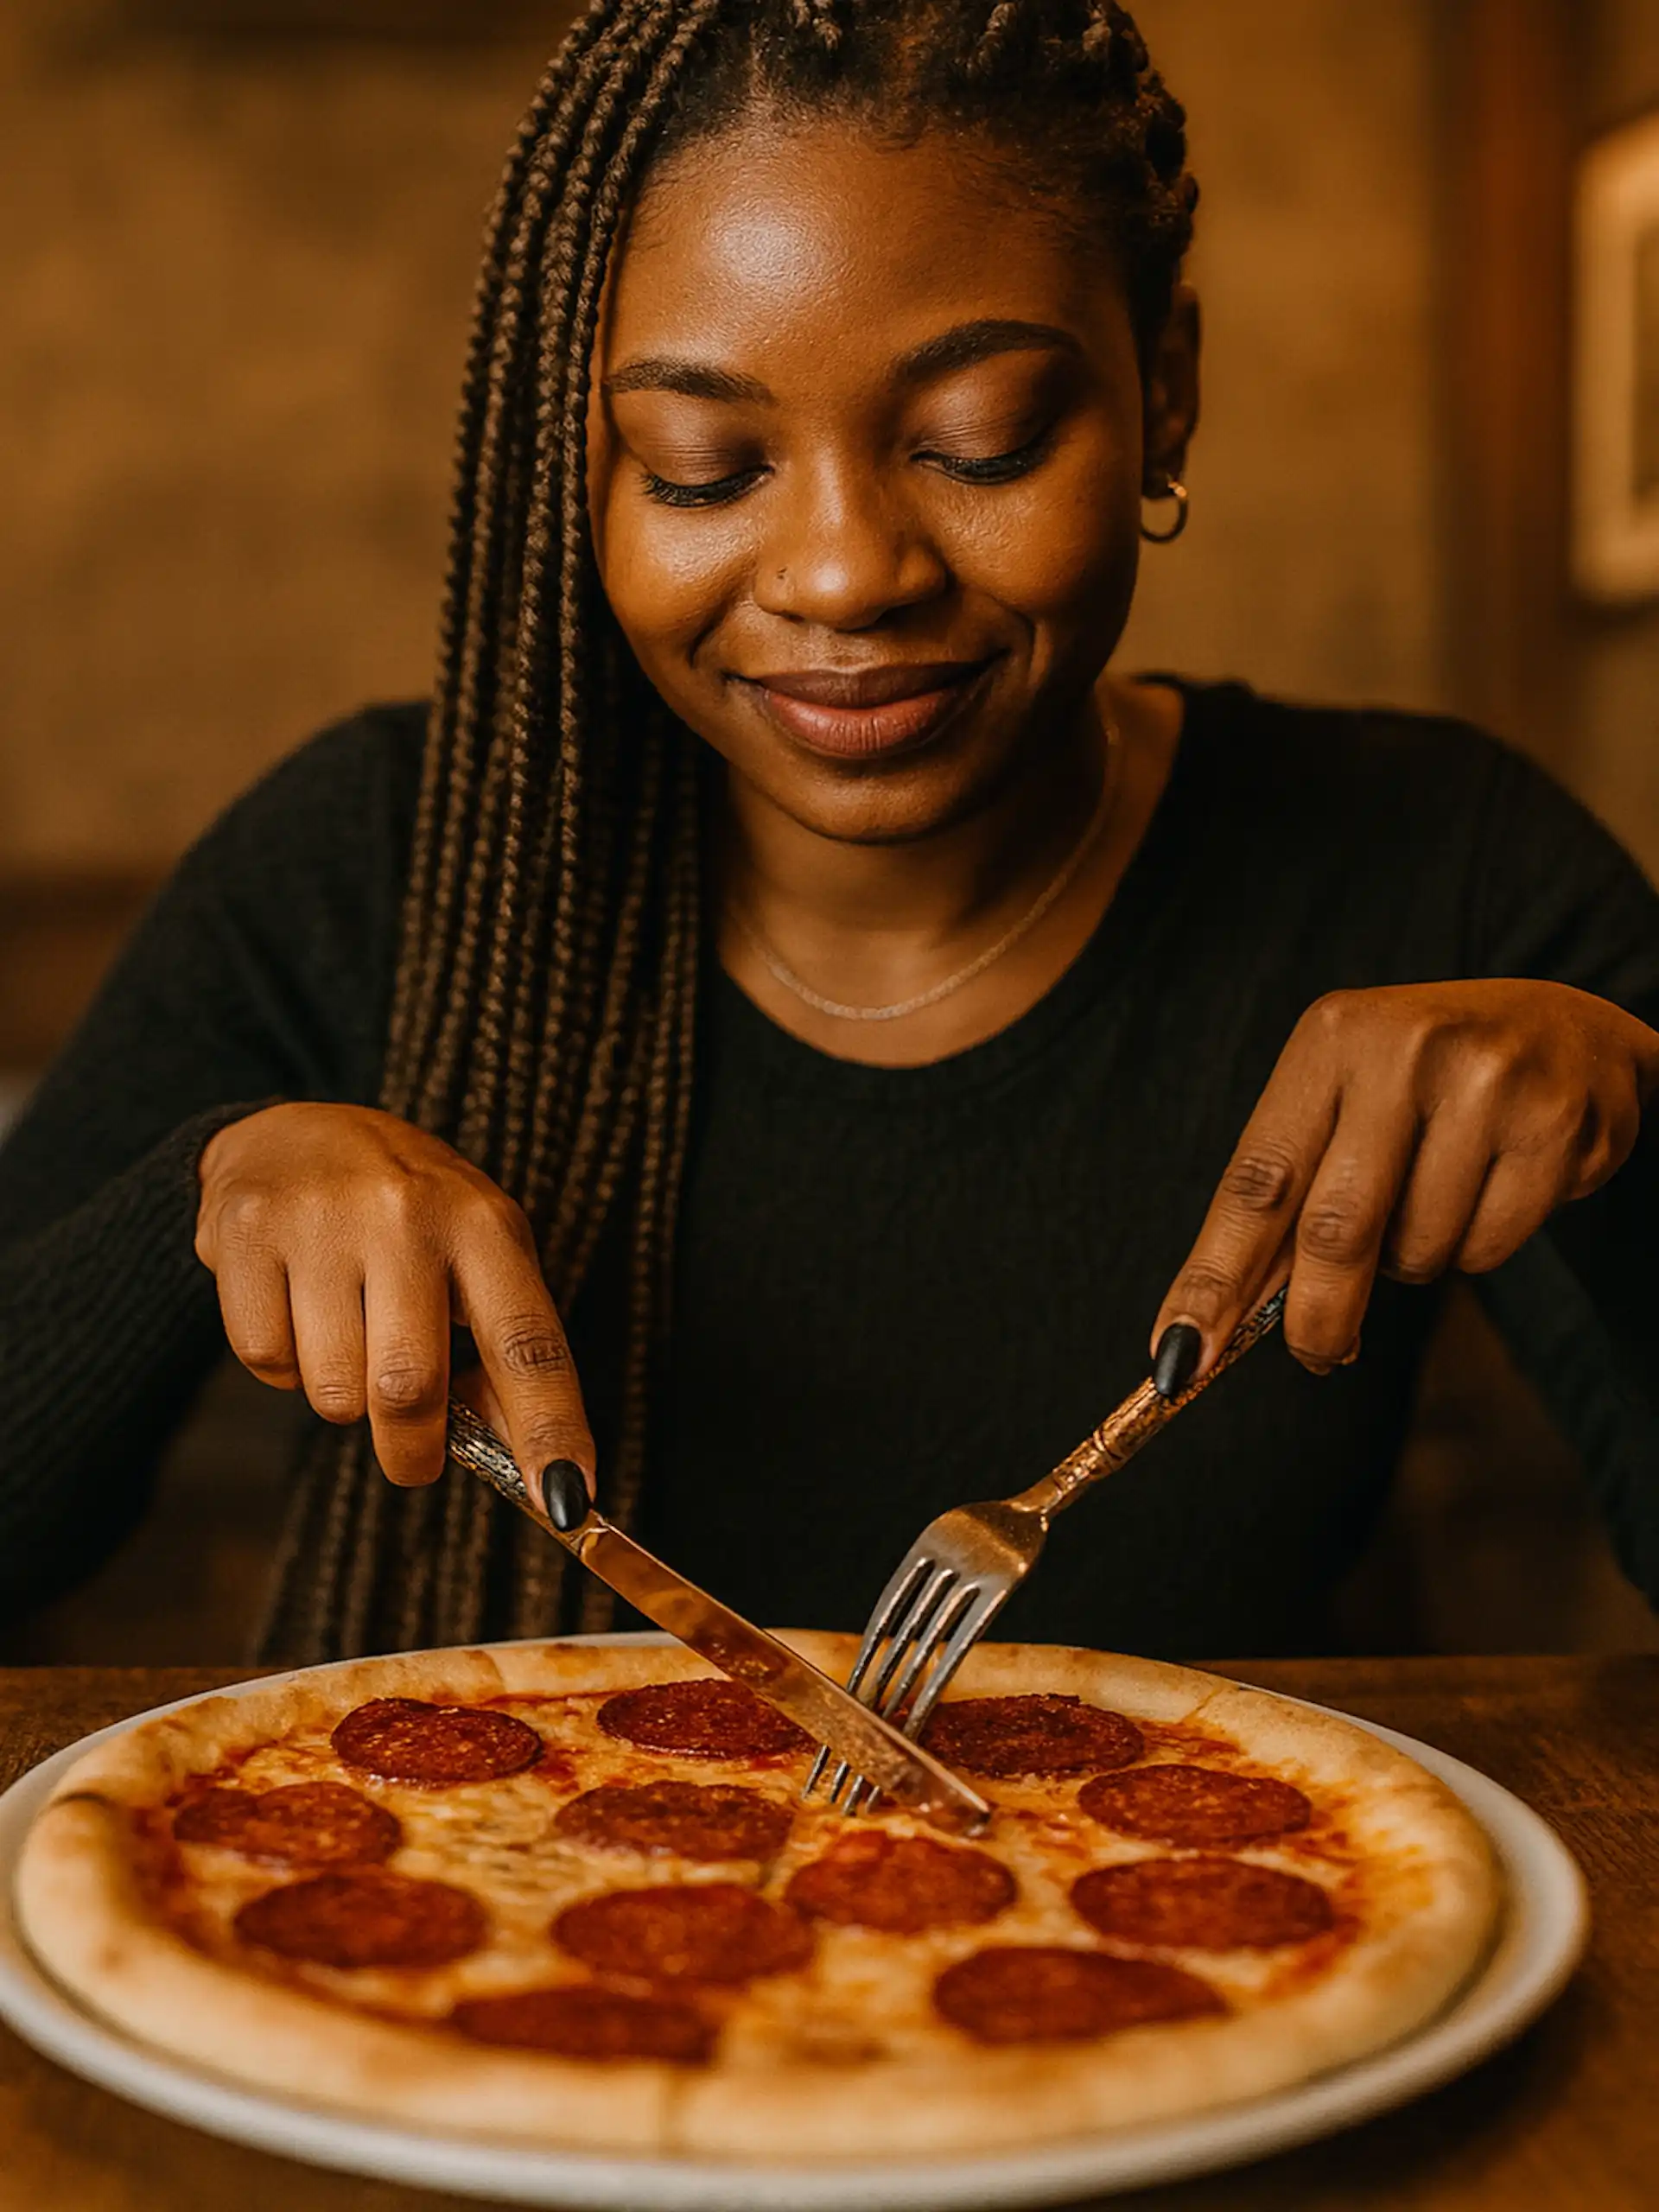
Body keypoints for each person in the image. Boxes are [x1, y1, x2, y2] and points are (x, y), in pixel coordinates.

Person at [3, 0, 1656, 1667]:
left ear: (1166, 387)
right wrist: (194, 1200)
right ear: (581, 474)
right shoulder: (368, 861)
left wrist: (1640, 1136)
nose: (848, 571)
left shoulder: (1448, 866)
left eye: (978, 442)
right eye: (705, 468)